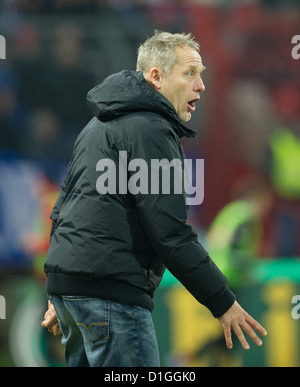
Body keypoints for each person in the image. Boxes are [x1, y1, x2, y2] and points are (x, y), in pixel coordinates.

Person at [41, 30, 267, 367]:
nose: (201, 85)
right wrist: (222, 301)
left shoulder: (97, 126)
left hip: (73, 293)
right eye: (190, 73)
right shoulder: (151, 130)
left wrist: (64, 289)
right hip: (112, 297)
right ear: (156, 77)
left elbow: (65, 213)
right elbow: (171, 235)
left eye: (201, 74)